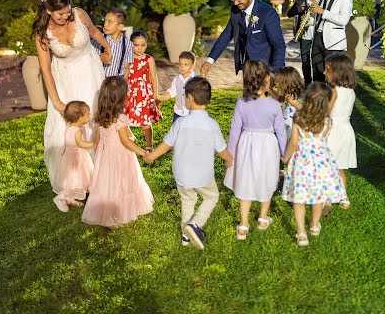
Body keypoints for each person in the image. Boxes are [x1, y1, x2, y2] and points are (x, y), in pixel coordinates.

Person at [33, 0, 110, 186]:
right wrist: (57, 101)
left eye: (67, 11)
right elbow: (46, 70)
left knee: (94, 116)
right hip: (65, 80)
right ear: (49, 10)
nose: (66, 16)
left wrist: (107, 46)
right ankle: (77, 178)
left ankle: (101, 170)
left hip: (90, 71)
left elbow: (93, 31)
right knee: (69, 126)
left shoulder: (79, 14)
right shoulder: (42, 33)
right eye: (61, 13)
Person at [144, 77, 232, 250]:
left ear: (190, 98)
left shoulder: (181, 123)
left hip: (182, 174)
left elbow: (166, 145)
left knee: (188, 201)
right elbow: (221, 149)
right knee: (211, 196)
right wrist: (228, 160)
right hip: (203, 175)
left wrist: (150, 156)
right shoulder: (211, 125)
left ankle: (186, 236)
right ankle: (195, 224)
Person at [224, 61, 287, 239]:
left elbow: (235, 131)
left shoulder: (241, 103)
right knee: (266, 178)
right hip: (268, 146)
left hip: (246, 144)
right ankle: (262, 218)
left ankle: (243, 225)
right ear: (265, 80)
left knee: (246, 180)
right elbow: (281, 133)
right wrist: (284, 154)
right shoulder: (274, 105)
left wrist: (230, 154)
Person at [82, 76, 154, 229]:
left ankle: (109, 213)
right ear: (120, 99)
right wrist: (143, 153)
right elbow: (125, 142)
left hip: (106, 157)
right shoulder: (120, 118)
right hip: (121, 156)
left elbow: (96, 141)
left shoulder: (100, 117)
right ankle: (118, 213)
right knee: (122, 182)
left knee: (108, 183)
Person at [281, 82, 347, 246]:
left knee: (299, 200)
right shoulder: (328, 121)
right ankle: (315, 225)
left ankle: (302, 234)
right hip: (321, 162)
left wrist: (285, 158)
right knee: (318, 196)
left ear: (307, 99)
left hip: (303, 162)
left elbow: (294, 143)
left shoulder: (298, 118)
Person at [200, 0, 285, 78]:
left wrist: (275, 73)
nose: (235, 3)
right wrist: (210, 60)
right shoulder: (236, 11)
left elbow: (279, 45)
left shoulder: (267, 13)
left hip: (266, 69)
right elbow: (226, 36)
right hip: (248, 69)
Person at [324, 53, 357, 208]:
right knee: (340, 167)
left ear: (336, 72)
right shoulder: (351, 91)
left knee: (328, 166)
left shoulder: (334, 91)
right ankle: (344, 198)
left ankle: (329, 197)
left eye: (327, 69)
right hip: (347, 130)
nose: (324, 72)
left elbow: (327, 112)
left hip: (333, 132)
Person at [310, 0, 353, 83]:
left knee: (333, 76)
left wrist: (323, 12)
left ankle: (333, 100)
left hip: (334, 42)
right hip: (317, 38)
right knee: (317, 73)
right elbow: (317, 14)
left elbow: (344, 20)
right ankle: (318, 99)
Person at [52, 101, 95, 212]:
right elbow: (81, 144)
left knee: (72, 179)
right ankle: (61, 197)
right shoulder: (77, 131)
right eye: (88, 114)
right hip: (76, 158)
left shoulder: (70, 126)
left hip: (70, 157)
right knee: (75, 178)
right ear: (79, 117)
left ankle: (70, 198)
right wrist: (93, 143)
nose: (89, 116)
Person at [124, 30, 162, 152]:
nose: (140, 48)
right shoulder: (127, 59)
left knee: (146, 121)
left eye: (143, 45)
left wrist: (155, 96)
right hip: (130, 93)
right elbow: (125, 77)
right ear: (131, 44)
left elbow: (154, 78)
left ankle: (149, 145)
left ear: (146, 44)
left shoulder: (149, 59)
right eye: (136, 45)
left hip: (145, 94)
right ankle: (129, 136)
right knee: (124, 118)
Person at [287, 0, 323, 85]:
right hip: (305, 35)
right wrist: (298, 10)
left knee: (317, 60)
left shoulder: (322, 0)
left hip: (318, 34)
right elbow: (289, 14)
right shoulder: (300, 0)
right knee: (306, 60)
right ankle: (307, 83)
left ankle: (318, 83)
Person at [93, 7, 133, 80]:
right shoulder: (98, 39)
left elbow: (126, 68)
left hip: (116, 83)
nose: (105, 25)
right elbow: (88, 59)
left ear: (120, 27)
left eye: (109, 22)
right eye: (105, 21)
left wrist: (124, 86)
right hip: (98, 80)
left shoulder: (128, 44)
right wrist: (100, 58)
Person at [157, 51, 196, 122]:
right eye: (180, 64)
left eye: (185, 64)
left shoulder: (196, 80)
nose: (182, 67)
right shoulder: (177, 78)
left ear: (192, 67)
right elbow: (172, 91)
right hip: (178, 113)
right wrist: (160, 100)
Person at [271, 66, 304, 139]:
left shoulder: (293, 98)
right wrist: (270, 89)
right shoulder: (287, 96)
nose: (275, 83)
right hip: (286, 129)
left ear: (285, 83)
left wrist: (295, 103)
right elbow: (279, 99)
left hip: (293, 131)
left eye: (277, 81)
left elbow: (303, 109)